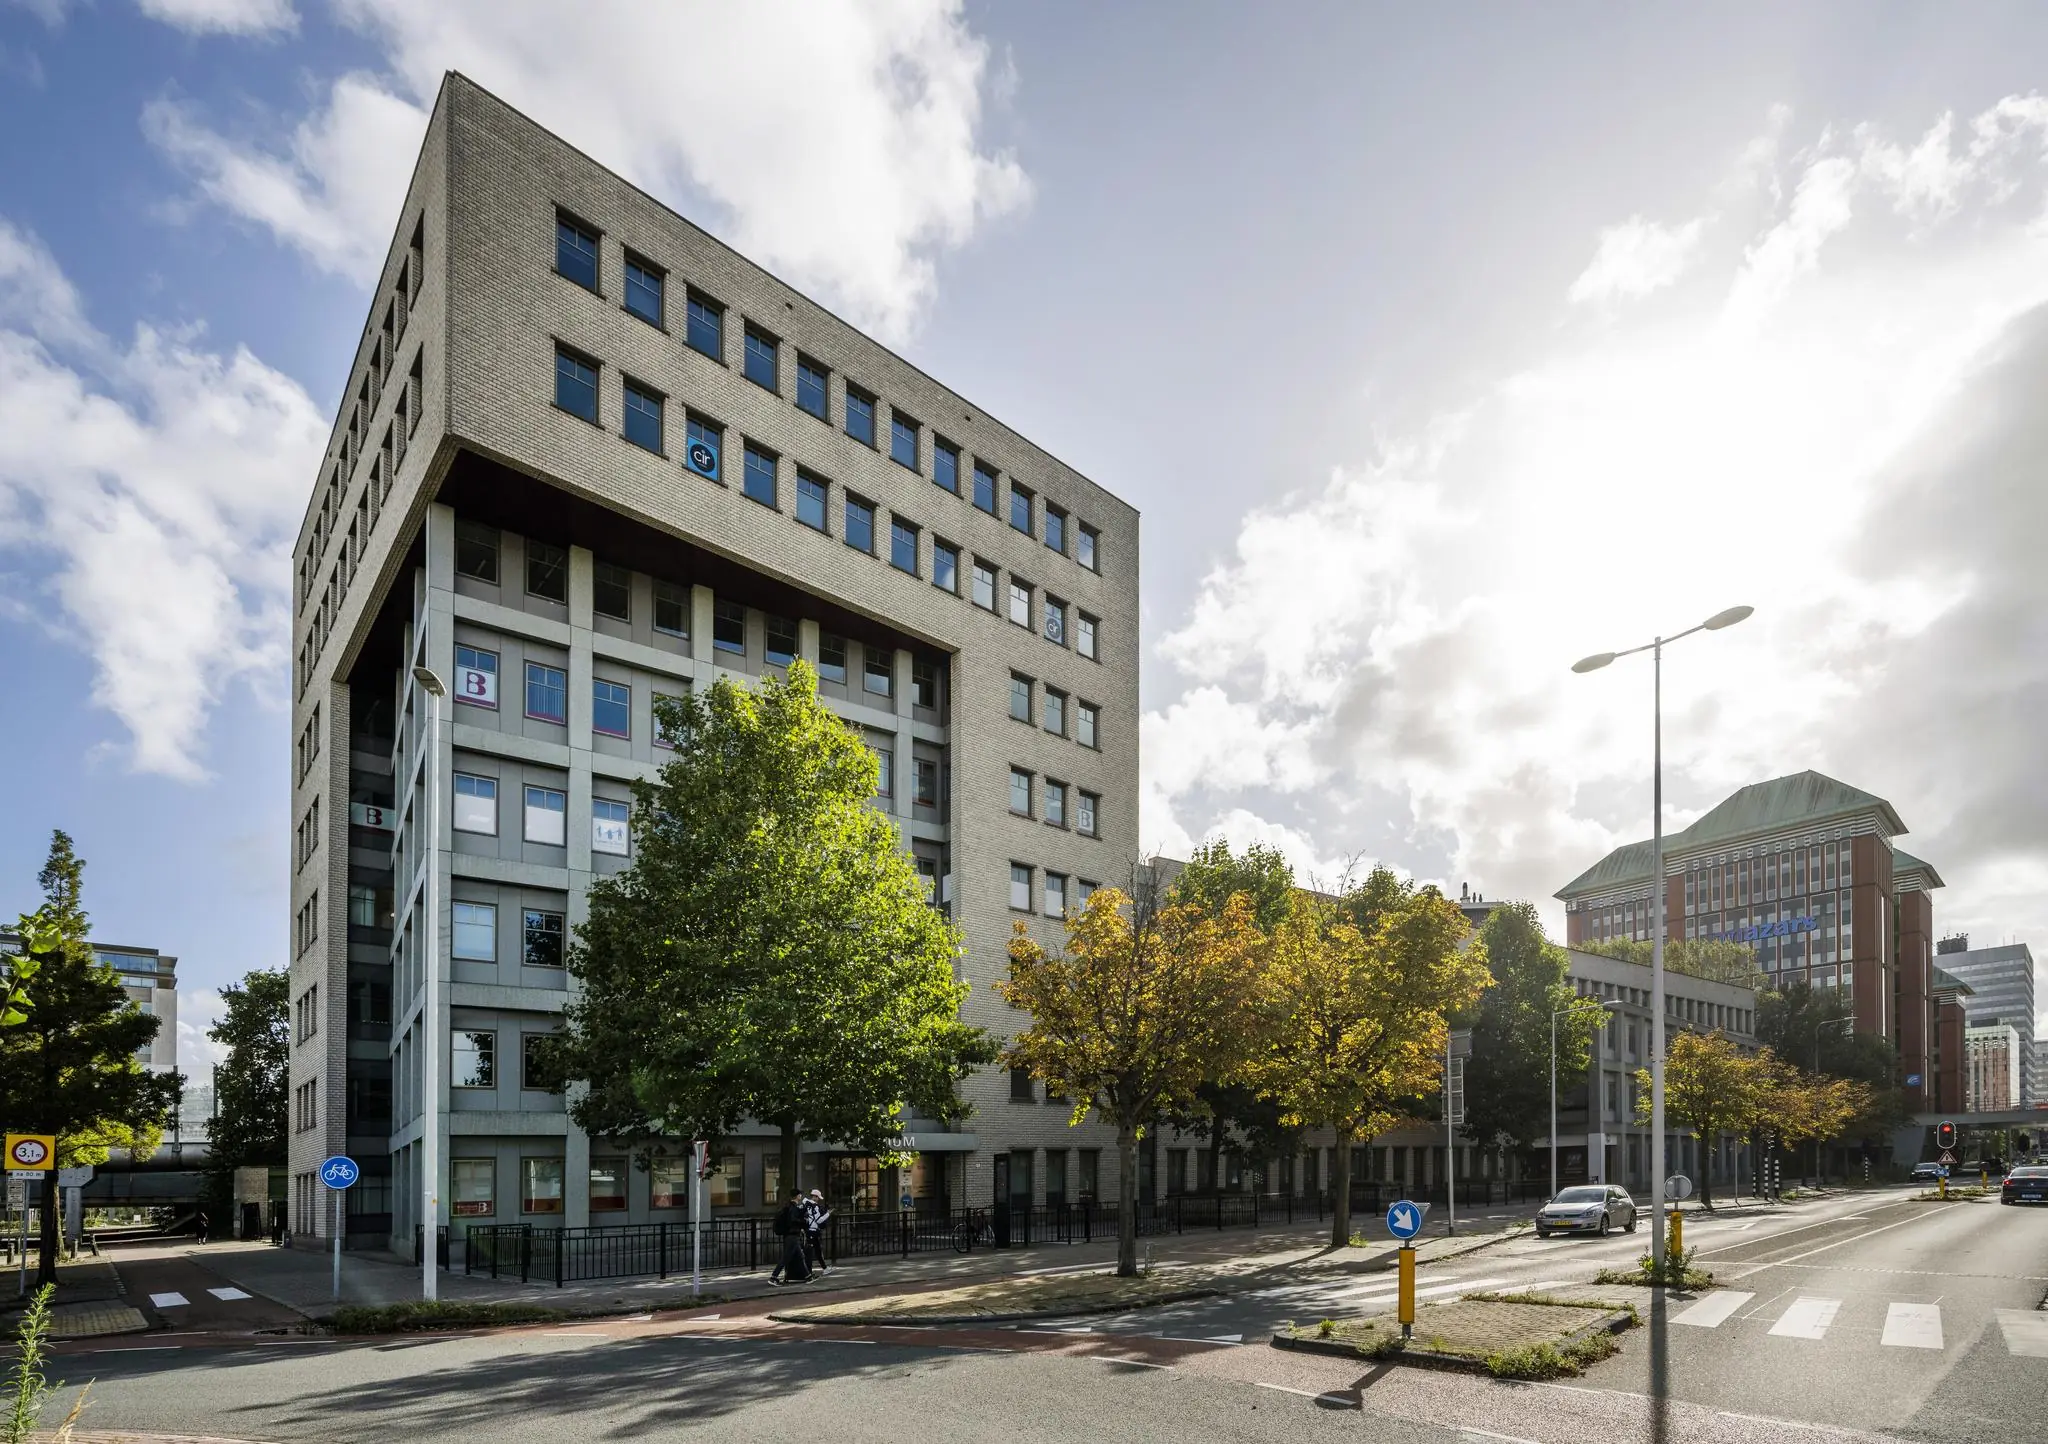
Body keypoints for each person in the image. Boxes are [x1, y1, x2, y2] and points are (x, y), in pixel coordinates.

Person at [769, 1191, 809, 1286]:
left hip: (791, 1235)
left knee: (800, 1256)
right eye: (800, 1195)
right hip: (792, 1236)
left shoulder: (788, 1206)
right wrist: (804, 1222)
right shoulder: (793, 1208)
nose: (801, 1196)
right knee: (786, 1258)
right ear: (797, 1196)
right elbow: (793, 1220)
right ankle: (773, 1277)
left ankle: (808, 1276)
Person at [803, 1188, 832, 1276]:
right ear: (814, 1197)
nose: (818, 1199)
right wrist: (828, 1214)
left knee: (811, 1251)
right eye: (818, 1197)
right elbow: (819, 1220)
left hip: (808, 1230)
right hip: (814, 1231)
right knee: (816, 1251)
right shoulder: (815, 1206)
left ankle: (818, 1269)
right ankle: (811, 1271)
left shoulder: (806, 1205)